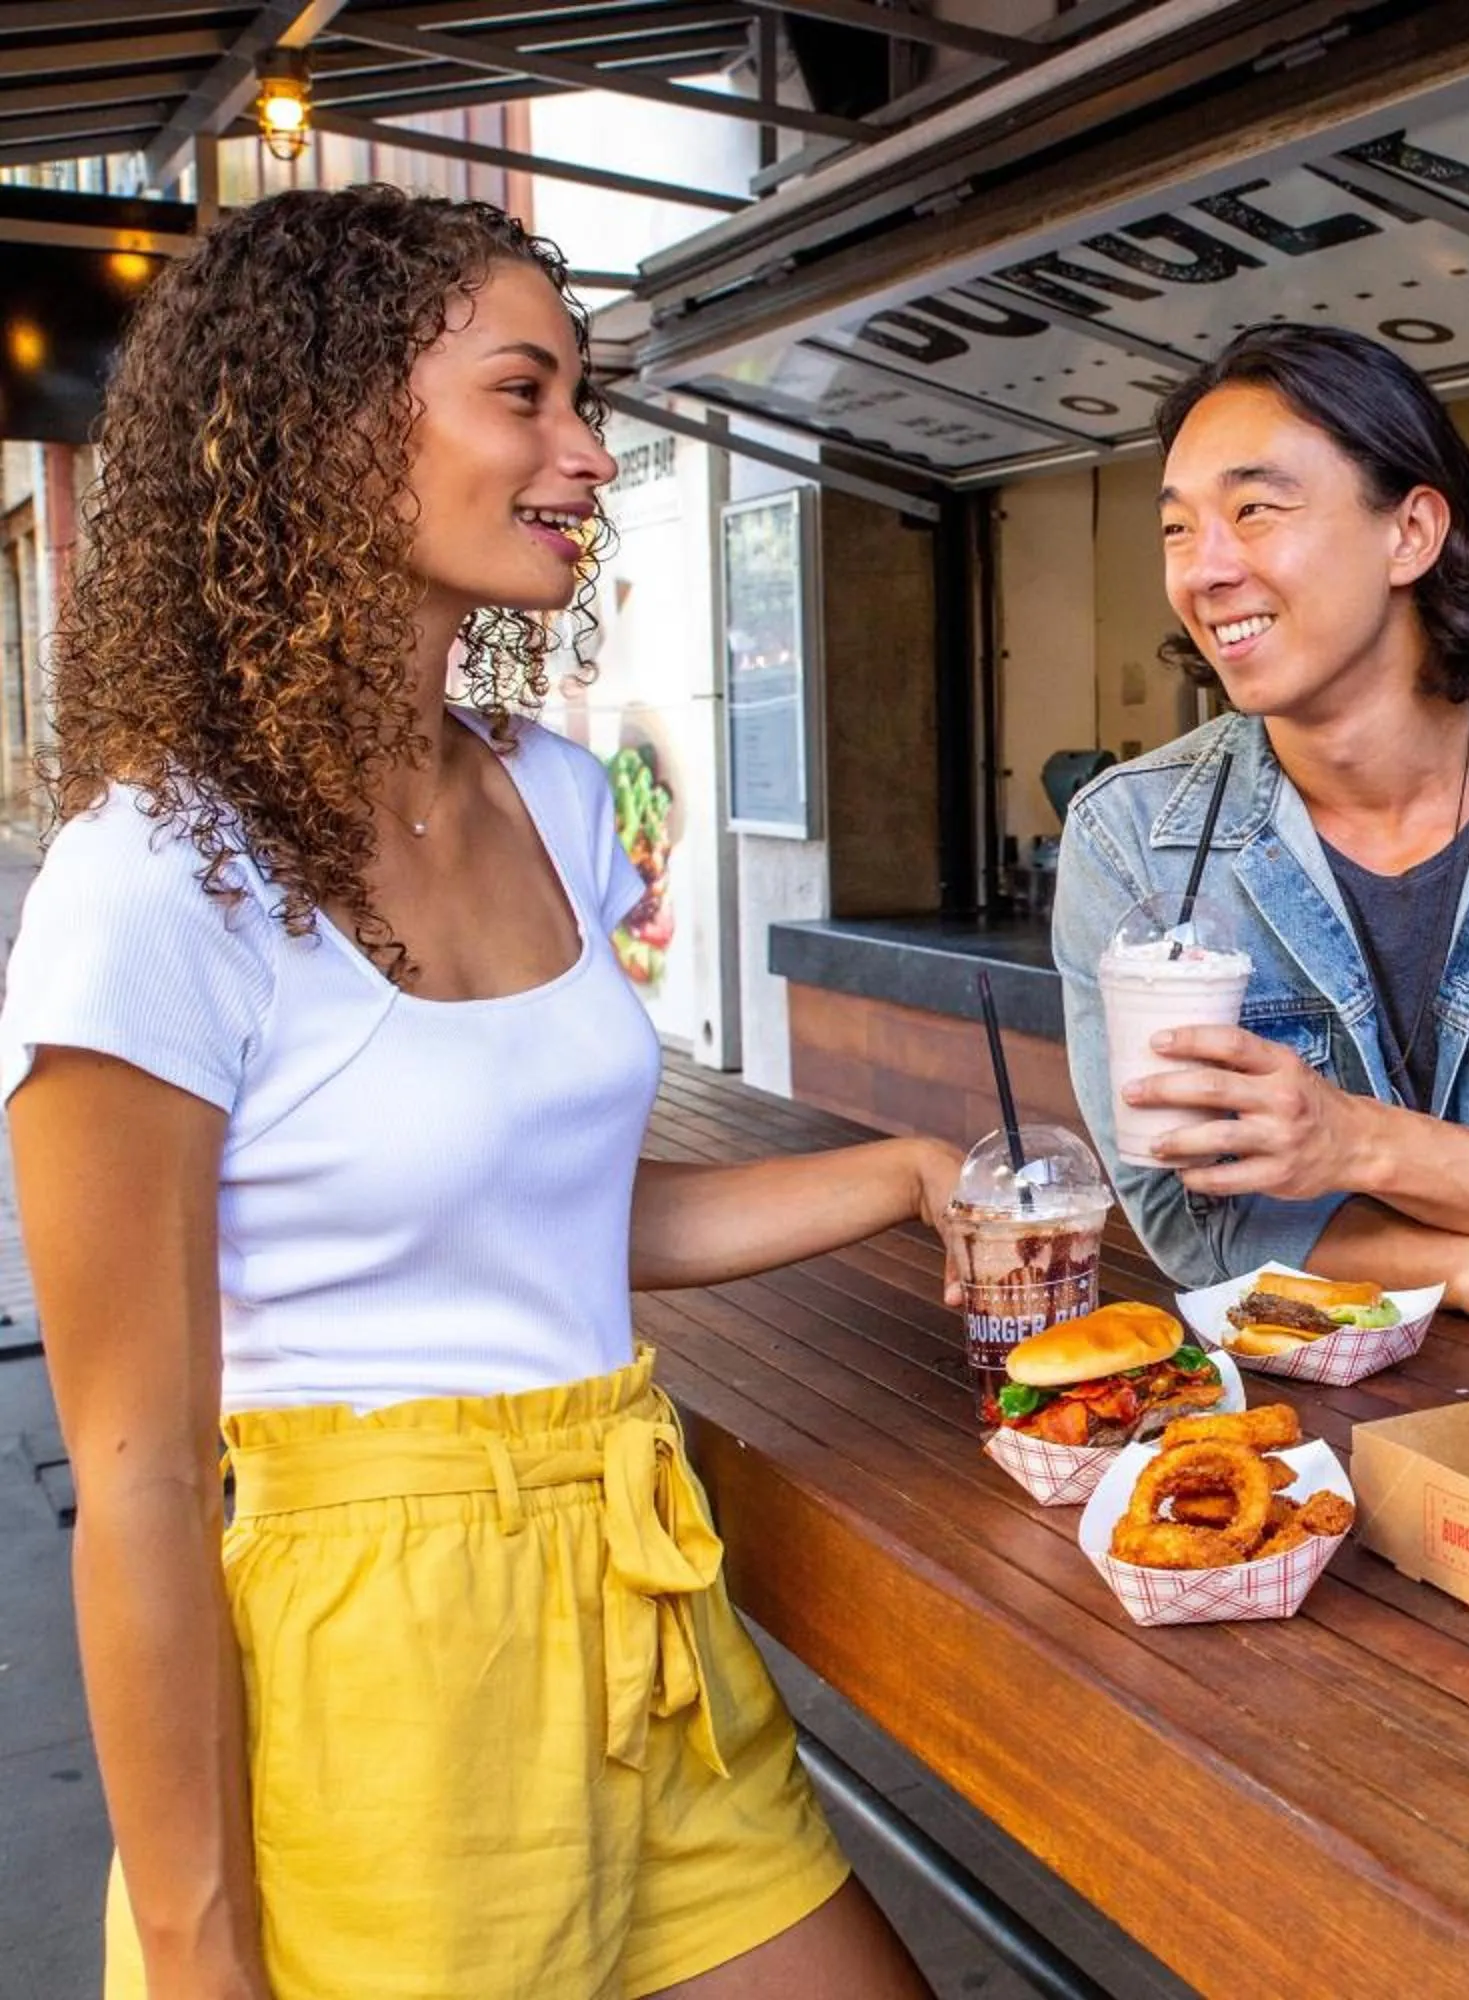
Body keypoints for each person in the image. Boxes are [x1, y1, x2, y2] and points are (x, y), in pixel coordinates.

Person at [3, 188, 951, 1997]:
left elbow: (563, 1228)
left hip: (629, 1597)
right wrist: (207, 1956)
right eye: (528, 395)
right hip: (372, 1681)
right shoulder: (158, 878)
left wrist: (908, 1172)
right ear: (335, 423)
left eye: (582, 401)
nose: (586, 453)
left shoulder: (560, 800)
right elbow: (131, 1475)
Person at [1052, 324, 1469, 1334]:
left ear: (1411, 532)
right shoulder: (1131, 836)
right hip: (1304, 1430)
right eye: (1178, 528)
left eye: (1254, 510)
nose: (1205, 569)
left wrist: (1355, 1144)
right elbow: (1181, 1213)